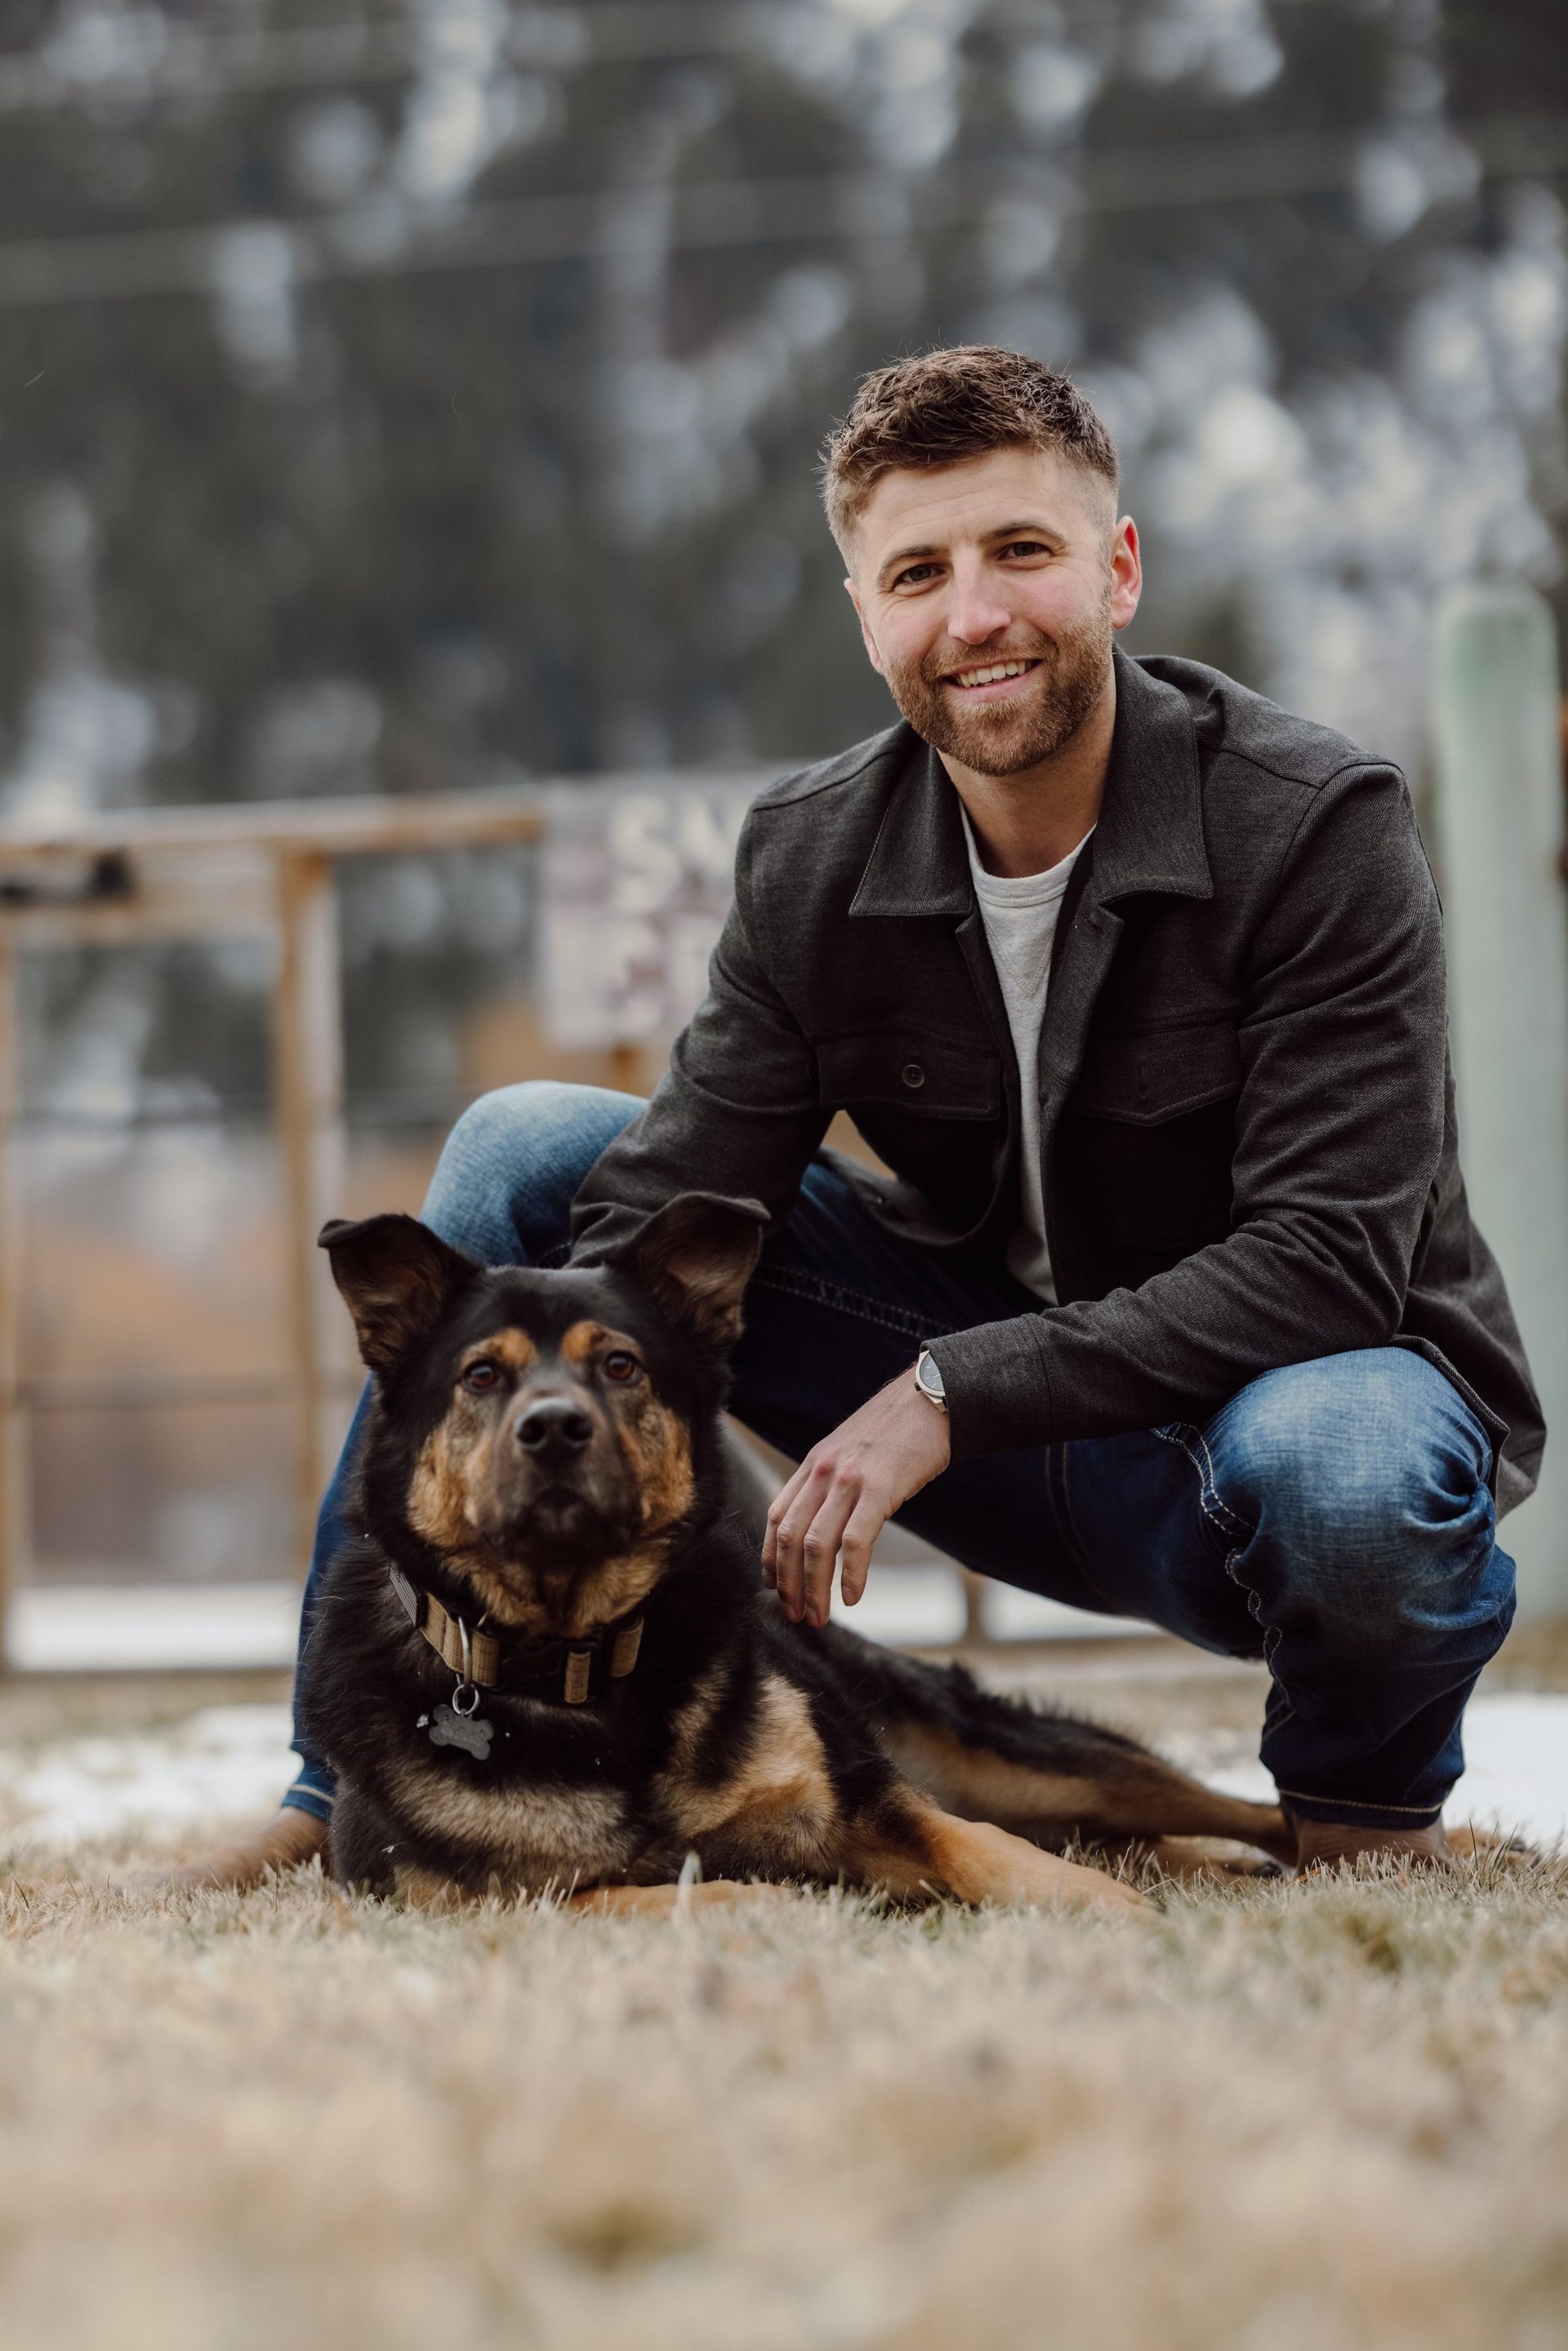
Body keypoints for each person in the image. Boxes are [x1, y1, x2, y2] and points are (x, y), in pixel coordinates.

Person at [184, 345, 1538, 1892]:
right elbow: (641, 1227)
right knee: (524, 1145)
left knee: (1352, 1443)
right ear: (866, 614)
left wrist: (945, 1394)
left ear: (1119, 569)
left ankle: (1356, 1821)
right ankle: (330, 1779)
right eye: (920, 572)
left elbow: (1326, 1262)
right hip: (993, 1433)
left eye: (1023, 552)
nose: (975, 616)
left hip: (1261, 1442)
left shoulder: (1317, 826)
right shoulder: (815, 855)